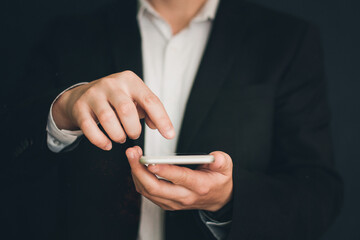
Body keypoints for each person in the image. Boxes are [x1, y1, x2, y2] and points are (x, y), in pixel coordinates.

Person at [3, 0, 343, 239]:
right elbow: (11, 157)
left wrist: (228, 200)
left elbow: (318, 193)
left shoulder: (286, 40)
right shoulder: (70, 33)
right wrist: (62, 109)